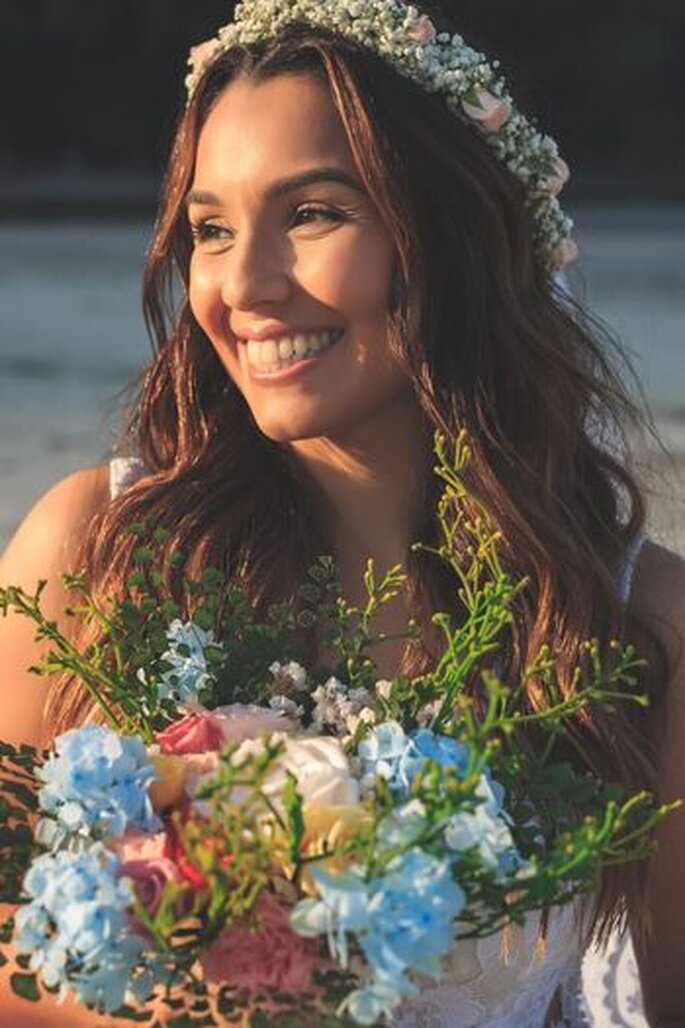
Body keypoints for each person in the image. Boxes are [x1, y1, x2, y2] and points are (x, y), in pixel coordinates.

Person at [1, 1, 684, 1024]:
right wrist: (191, 1004)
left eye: (313, 212)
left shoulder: (637, 623)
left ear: (454, 235)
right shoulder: (91, 548)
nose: (243, 284)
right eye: (212, 229)